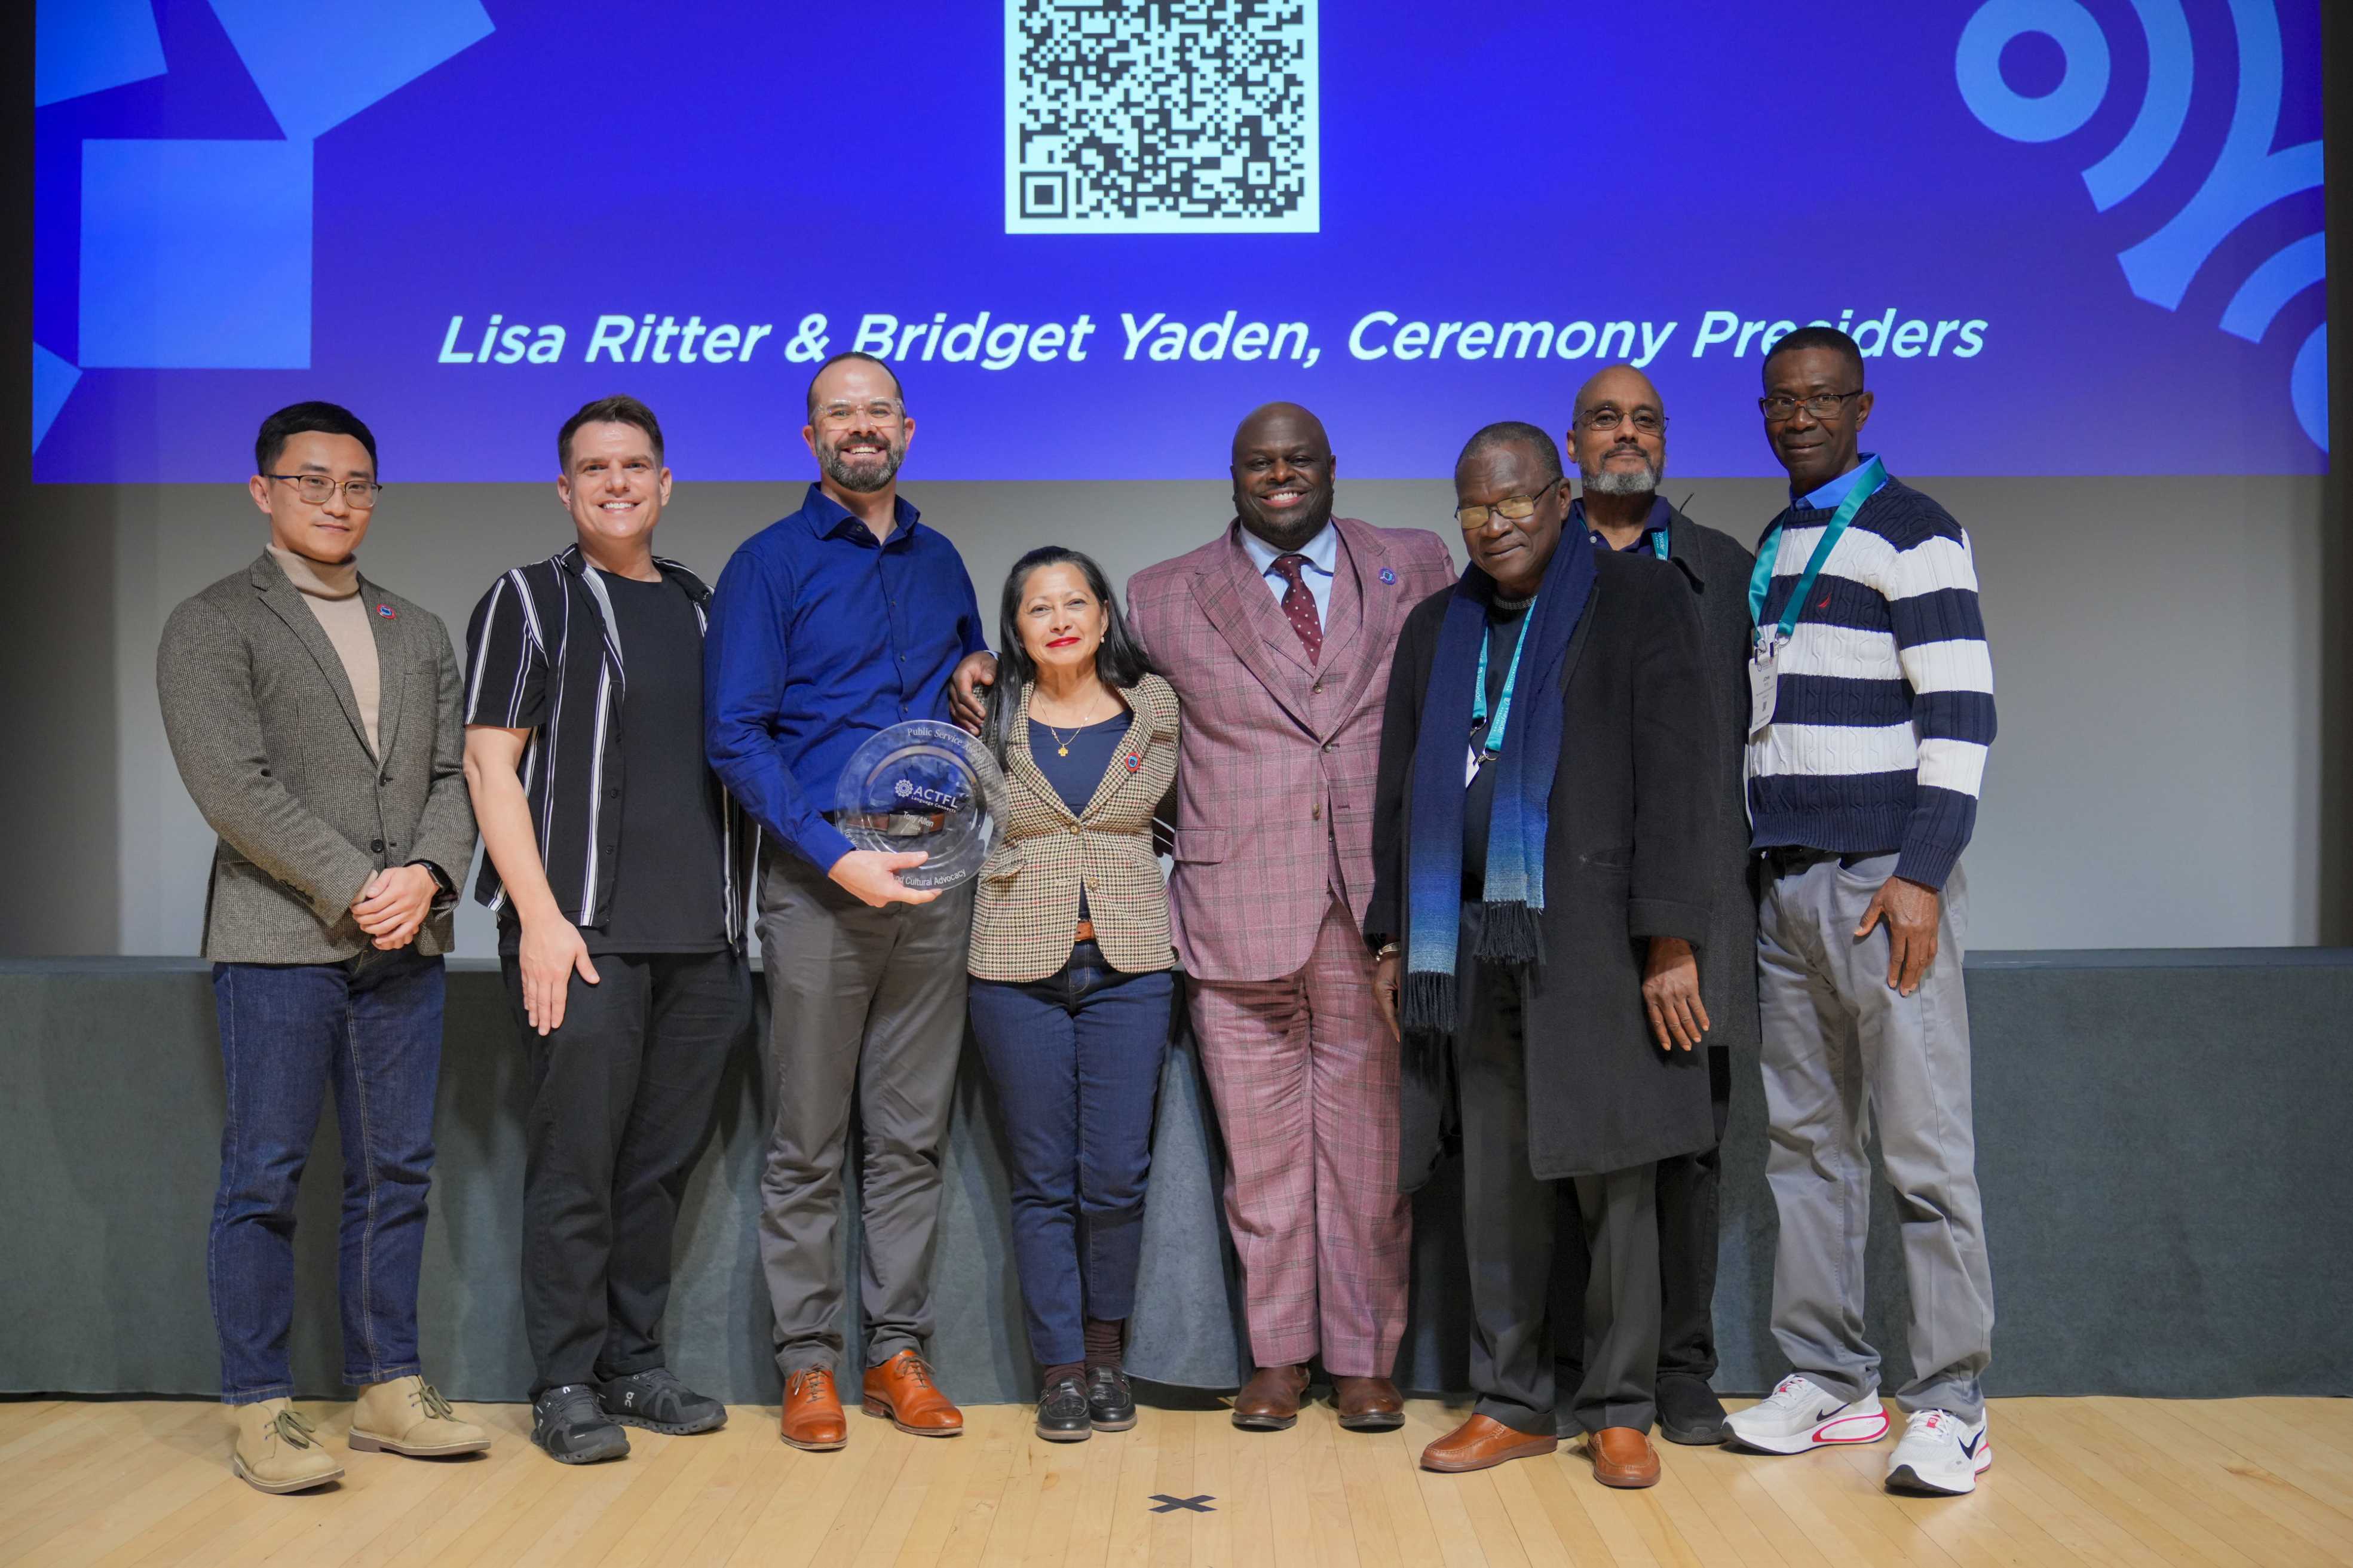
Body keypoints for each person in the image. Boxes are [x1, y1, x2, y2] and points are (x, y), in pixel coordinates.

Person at [1367, 421, 1715, 1487]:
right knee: (1495, 1190)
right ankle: (1512, 1400)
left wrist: (1669, 939)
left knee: (1615, 1177)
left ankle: (1618, 1408)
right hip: (1469, 944)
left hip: (1600, 943)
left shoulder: (1640, 599)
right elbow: (1396, 791)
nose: (1493, 523)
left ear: (1561, 496)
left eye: (1514, 500)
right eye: (1473, 507)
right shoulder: (1439, 625)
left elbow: (1679, 772)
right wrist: (1393, 936)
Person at [157, 401, 488, 1493]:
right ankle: (259, 1406)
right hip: (280, 938)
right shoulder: (212, 621)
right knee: (265, 1175)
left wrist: (432, 877)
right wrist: (360, 886)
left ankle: (389, 1386)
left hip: (408, 940)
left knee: (396, 1172)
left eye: (356, 484)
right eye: (313, 482)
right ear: (264, 491)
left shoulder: (418, 626)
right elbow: (231, 787)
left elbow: (452, 777)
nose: (337, 501)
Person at [1123, 402, 1454, 1432]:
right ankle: (1277, 1356)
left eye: (1298, 459)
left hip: (1373, 908)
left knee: (1366, 1162)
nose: (1280, 476)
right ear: (1232, 475)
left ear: (1330, 467)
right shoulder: (1159, 597)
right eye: (1259, 463)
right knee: (1260, 1167)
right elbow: (1137, 745)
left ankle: (1362, 1359)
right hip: (1235, 910)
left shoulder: (1420, 564)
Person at [1721, 327, 1999, 1495]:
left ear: (1863, 405)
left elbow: (1964, 714)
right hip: (1783, 880)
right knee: (1806, 1147)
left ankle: (1952, 1406)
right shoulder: (1779, 538)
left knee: (1924, 1154)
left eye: (1824, 399)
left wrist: (1923, 871)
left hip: (1882, 883)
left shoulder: (1915, 532)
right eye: (1782, 400)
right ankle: (1833, 1379)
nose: (1801, 417)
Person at [705, 352, 998, 1451]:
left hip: (935, 876)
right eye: (839, 413)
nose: (860, 428)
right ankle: (808, 1365)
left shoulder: (942, 560)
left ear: (908, 431)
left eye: (878, 411)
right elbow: (735, 735)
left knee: (911, 1137)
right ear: (809, 437)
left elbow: (954, 693)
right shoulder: (766, 563)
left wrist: (974, 665)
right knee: (807, 1142)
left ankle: (895, 1353)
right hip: (822, 885)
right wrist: (835, 858)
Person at [461, 395, 755, 1464]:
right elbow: (491, 764)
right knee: (577, 1166)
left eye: (636, 465)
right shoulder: (528, 601)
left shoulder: (702, 605)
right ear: (565, 488)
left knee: (655, 1171)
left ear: (666, 485)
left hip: (704, 944)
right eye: (595, 468)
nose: (617, 482)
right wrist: (538, 919)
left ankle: (635, 1365)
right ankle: (564, 1382)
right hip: (580, 936)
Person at [1552, 366, 1760, 1447]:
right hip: (1563, 920)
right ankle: (1575, 1369)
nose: (1625, 435)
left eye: (1644, 420)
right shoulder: (1529, 563)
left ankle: (1682, 1370)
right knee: (1571, 1147)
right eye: (1604, 419)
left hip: (1697, 908)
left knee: (1687, 1144)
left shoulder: (1723, 569)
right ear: (1570, 442)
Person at [964, 547, 1181, 1443]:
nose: (1058, 618)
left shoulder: (1156, 707)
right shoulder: (987, 713)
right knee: (1043, 1178)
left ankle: (1104, 1357)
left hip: (1130, 964)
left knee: (1116, 1176)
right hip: (1015, 966)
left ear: (1102, 615)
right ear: (1014, 629)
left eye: (1074, 602)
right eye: (1036, 608)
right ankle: (1058, 1370)